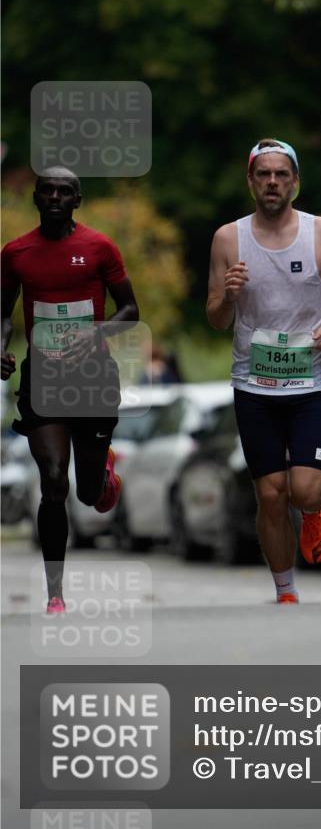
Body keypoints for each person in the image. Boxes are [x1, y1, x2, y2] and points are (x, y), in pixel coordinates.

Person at [206, 139, 321, 603]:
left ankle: (316, 511)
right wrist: (229, 296)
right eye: (263, 174)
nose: (272, 182)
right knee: (271, 494)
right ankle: (286, 592)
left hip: (312, 381)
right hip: (254, 385)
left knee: (304, 490)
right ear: (250, 181)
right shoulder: (227, 239)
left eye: (281, 174)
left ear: (295, 181)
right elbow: (215, 319)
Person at [1, 167, 139, 614]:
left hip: (93, 378)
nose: (56, 197)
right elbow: (4, 314)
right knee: (54, 481)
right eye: (48, 191)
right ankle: (55, 593)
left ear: (76, 200)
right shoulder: (16, 253)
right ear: (37, 199)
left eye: (65, 192)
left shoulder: (99, 248)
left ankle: (102, 473)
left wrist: (97, 332)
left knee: (86, 494)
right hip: (44, 378)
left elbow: (131, 310)